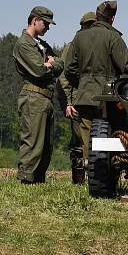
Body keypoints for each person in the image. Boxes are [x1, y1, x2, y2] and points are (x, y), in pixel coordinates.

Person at [65, 1, 128, 170]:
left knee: (87, 132)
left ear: (96, 15)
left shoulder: (79, 37)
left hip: (85, 93)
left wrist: (82, 83)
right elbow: (127, 66)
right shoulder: (114, 37)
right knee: (111, 130)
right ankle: (109, 168)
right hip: (109, 95)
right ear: (112, 19)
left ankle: (89, 167)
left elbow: (69, 68)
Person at [13, 6, 64, 184]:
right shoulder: (24, 44)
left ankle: (38, 179)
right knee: (33, 141)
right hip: (33, 97)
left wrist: (52, 64)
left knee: (45, 144)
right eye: (46, 24)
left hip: (45, 98)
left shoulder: (42, 45)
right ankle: (27, 179)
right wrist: (48, 64)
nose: (48, 28)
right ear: (35, 20)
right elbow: (39, 71)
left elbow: (60, 64)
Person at [56, 11, 96, 184]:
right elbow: (63, 77)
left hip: (94, 101)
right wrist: (68, 103)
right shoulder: (73, 47)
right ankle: (79, 181)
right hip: (78, 102)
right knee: (78, 142)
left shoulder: (94, 46)